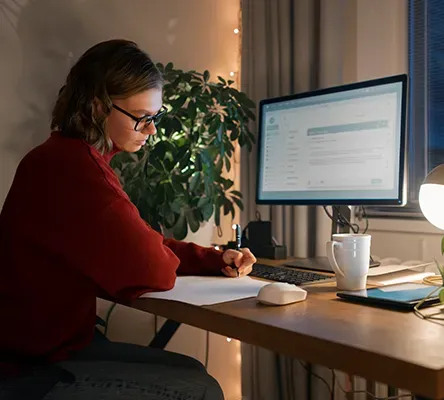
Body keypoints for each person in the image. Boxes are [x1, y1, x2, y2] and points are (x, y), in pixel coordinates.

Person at [0, 39, 256, 400]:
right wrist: (158, 252)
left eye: (155, 118)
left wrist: (214, 259)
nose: (151, 130)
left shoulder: (60, 157)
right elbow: (153, 267)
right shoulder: (77, 171)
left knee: (192, 370)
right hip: (27, 369)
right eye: (143, 118)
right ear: (97, 107)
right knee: (199, 389)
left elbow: (141, 241)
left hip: (46, 348)